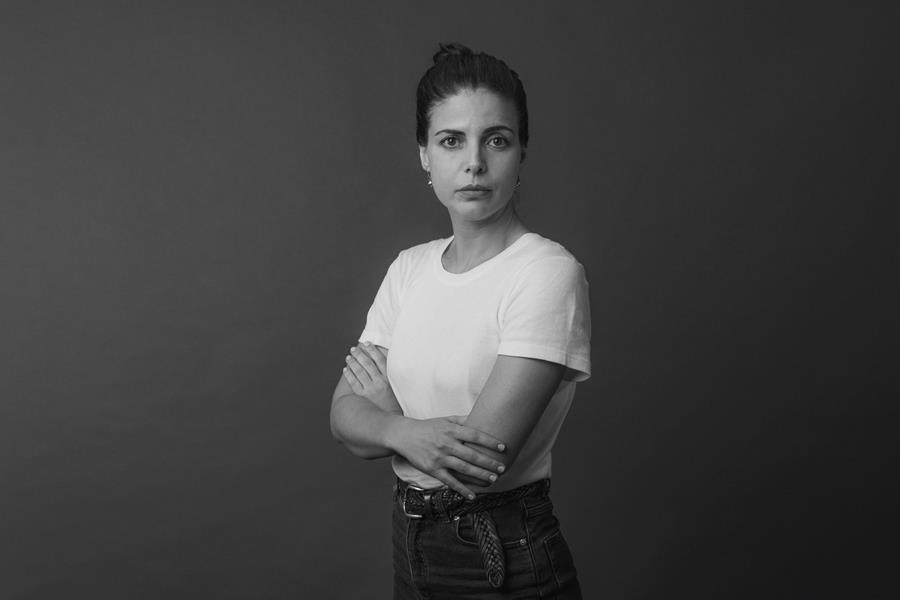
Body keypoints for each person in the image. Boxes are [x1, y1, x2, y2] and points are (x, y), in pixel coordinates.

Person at [330, 42, 591, 599]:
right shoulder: (409, 269)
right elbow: (342, 415)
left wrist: (386, 415)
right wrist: (405, 432)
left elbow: (479, 460)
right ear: (425, 155)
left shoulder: (546, 272)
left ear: (521, 153)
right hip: (410, 541)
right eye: (451, 140)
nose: (474, 162)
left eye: (496, 139)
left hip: (504, 550)